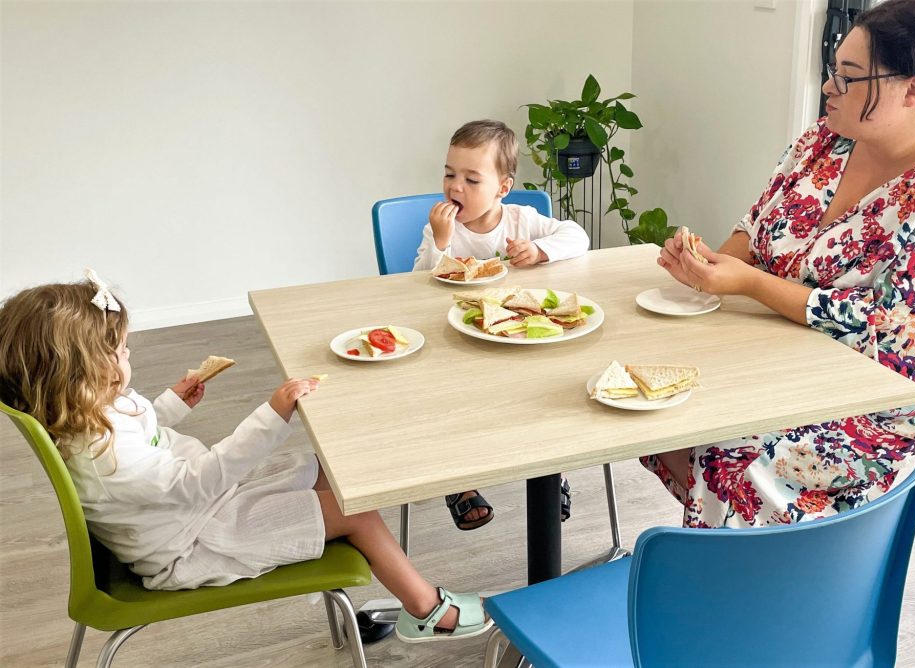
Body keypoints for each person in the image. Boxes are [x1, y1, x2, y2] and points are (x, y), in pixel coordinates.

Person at [647, 0, 915, 527]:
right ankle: (740, 554)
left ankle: (748, 573)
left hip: (893, 398)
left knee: (724, 443)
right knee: (662, 399)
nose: (828, 88)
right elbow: (758, 225)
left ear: (913, 91)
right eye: (832, 71)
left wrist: (749, 284)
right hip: (790, 348)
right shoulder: (828, 139)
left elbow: (901, 341)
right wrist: (710, 265)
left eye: (848, 77)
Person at [0, 273, 491, 642]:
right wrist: (272, 413)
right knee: (354, 510)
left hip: (186, 513)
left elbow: (143, 434)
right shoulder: (108, 459)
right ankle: (429, 612)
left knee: (329, 469)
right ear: (91, 371)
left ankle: (398, 570)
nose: (130, 357)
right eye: (123, 351)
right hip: (193, 543)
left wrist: (169, 404)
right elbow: (205, 478)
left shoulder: (86, 416)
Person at [412, 119, 590, 530]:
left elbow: (577, 236)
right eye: (450, 174)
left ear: (502, 188)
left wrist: (540, 251)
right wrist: (440, 243)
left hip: (518, 341)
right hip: (458, 343)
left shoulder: (520, 221)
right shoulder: (442, 229)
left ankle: (552, 472)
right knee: (449, 398)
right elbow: (418, 280)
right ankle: (460, 480)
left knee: (552, 389)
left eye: (472, 179)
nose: (455, 187)